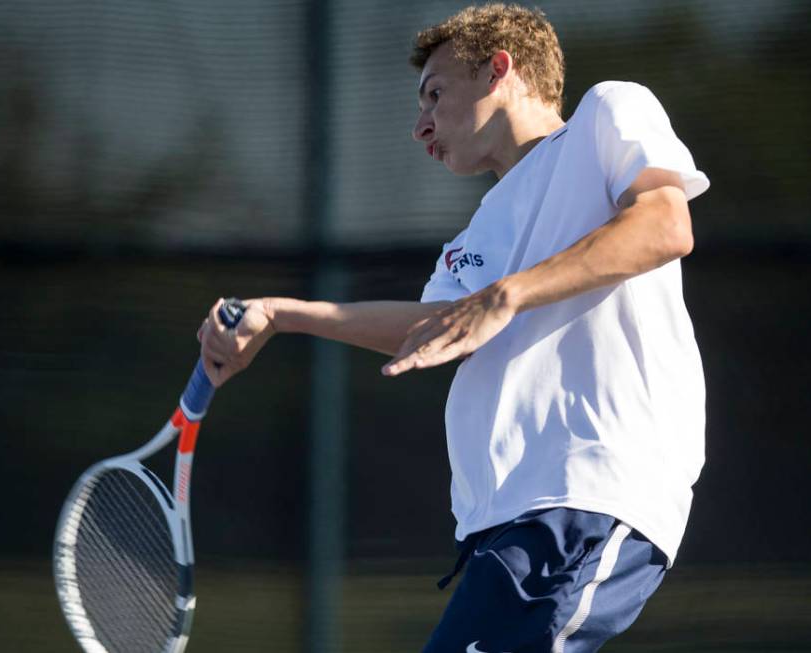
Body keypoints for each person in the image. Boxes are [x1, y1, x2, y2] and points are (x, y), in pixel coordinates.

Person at [198, 3, 709, 651]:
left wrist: (508, 295)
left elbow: (666, 225)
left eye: (434, 94)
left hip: (589, 492)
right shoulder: (469, 242)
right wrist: (281, 313)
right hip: (506, 523)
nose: (420, 127)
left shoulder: (608, 111)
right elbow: (434, 325)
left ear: (501, 70)